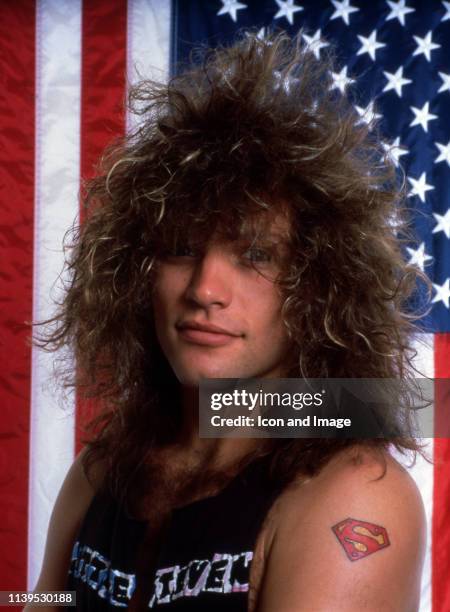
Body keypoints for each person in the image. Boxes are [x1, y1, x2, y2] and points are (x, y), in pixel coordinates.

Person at [29, 31, 428, 611]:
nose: (205, 290)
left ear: (319, 288)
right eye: (181, 248)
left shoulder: (355, 496)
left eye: (256, 255)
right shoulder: (102, 469)